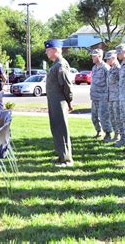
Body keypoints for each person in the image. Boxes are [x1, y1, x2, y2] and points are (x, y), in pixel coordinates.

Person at [45, 39, 74, 167]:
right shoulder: (56, 64)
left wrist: (69, 101)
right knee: (56, 128)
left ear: (56, 50)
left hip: (60, 101)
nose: (46, 52)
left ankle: (67, 160)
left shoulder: (61, 65)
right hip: (54, 101)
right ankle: (61, 156)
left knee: (62, 129)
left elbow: (66, 85)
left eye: (48, 50)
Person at [90, 49, 112, 141]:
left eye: (94, 56)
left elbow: (110, 83)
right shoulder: (94, 68)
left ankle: (107, 134)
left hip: (103, 97)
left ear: (99, 56)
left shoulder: (106, 68)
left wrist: (108, 97)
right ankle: (98, 132)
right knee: (94, 116)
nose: (92, 57)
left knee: (103, 116)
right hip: (94, 96)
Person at [105, 50, 121, 142]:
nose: (107, 61)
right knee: (112, 117)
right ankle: (116, 134)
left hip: (117, 97)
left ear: (114, 58)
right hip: (111, 97)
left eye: (108, 59)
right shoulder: (111, 69)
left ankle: (120, 135)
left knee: (118, 117)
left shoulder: (118, 68)